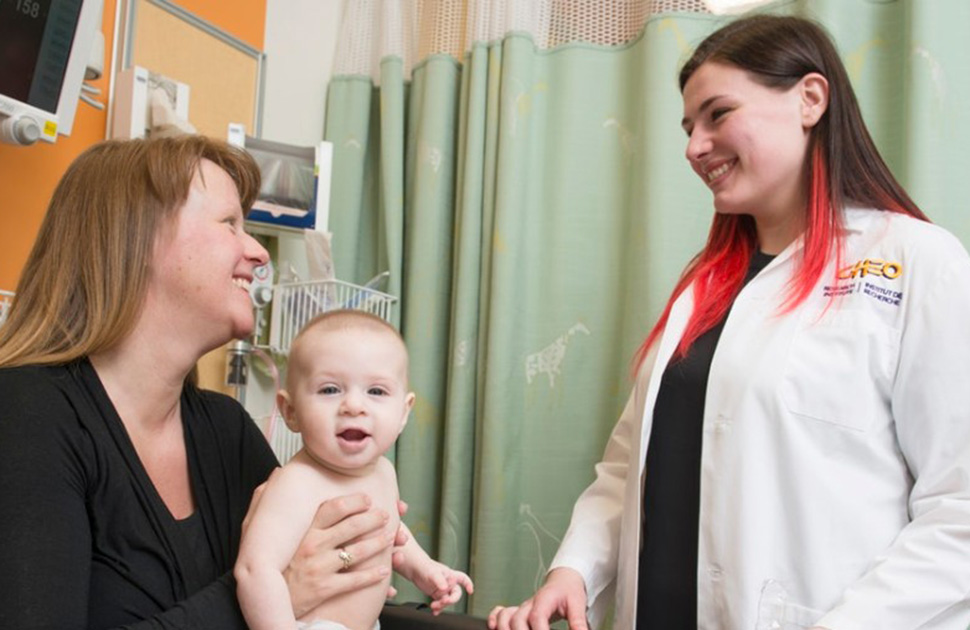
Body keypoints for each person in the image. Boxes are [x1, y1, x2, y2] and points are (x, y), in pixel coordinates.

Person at [489, 14, 970, 630]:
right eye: (689, 127)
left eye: (718, 114)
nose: (693, 146)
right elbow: (628, 468)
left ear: (810, 98)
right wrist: (575, 569)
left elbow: (957, 510)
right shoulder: (703, 288)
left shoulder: (917, 262)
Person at [0, 135, 408, 629]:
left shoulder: (226, 428)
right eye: (230, 223)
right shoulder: (26, 416)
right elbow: (293, 580)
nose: (258, 252)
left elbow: (319, 569)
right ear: (136, 238)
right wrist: (278, 591)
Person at [235, 309, 474, 630]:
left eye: (376, 391)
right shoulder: (297, 483)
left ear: (403, 413)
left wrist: (426, 570)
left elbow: (392, 536)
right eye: (330, 389)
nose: (354, 406)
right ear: (290, 412)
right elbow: (254, 570)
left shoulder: (384, 472)